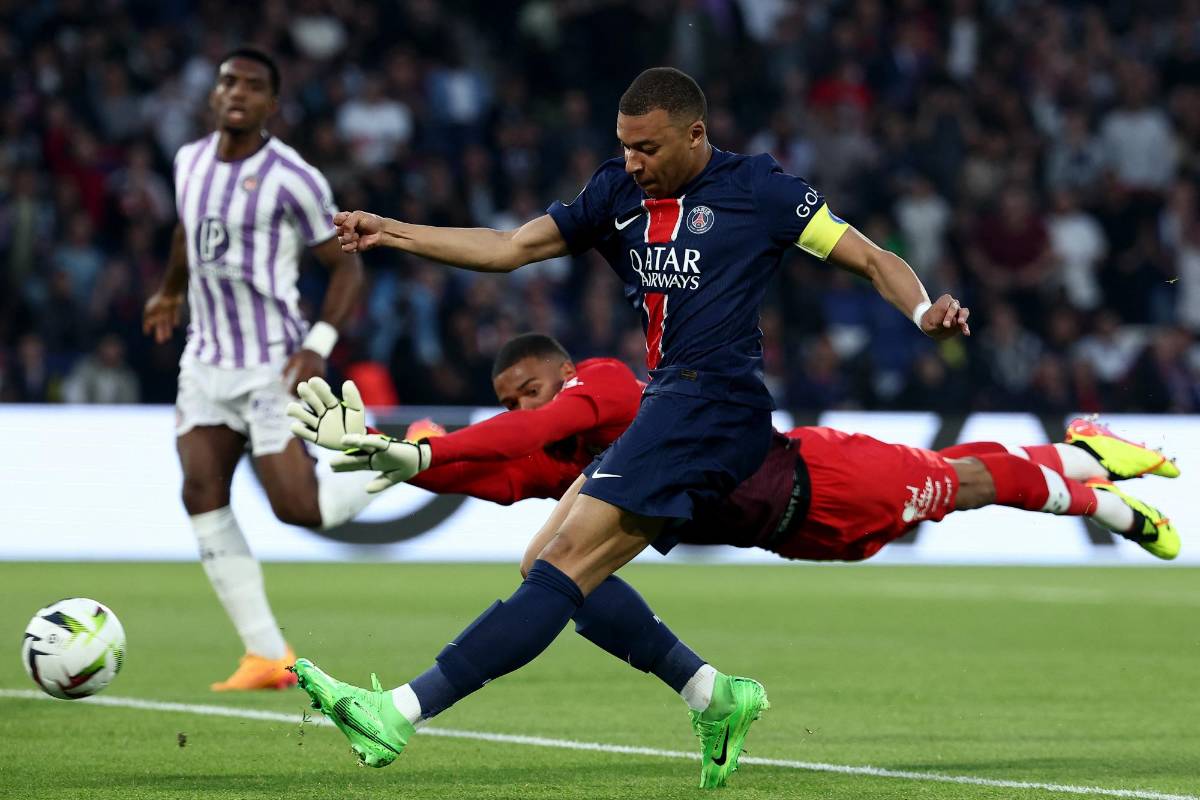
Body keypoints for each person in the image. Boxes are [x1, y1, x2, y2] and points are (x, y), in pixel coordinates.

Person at [292, 66, 977, 786]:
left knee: (560, 566)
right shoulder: (615, 194)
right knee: (545, 564)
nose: (632, 163)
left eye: (646, 148)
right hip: (670, 403)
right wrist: (390, 231)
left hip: (715, 405)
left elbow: (870, 256)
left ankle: (397, 713)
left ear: (695, 133)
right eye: (624, 147)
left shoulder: (761, 189)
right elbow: (509, 247)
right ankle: (712, 695)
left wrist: (923, 309)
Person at [290, 331, 1180, 787]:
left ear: (556, 374)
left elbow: (540, 427)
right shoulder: (582, 468)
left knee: (968, 482)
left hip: (824, 483)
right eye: (509, 397)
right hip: (790, 523)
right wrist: (395, 453)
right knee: (552, 569)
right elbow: (508, 464)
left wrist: (433, 455)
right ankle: (714, 696)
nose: (525, 403)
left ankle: (1096, 476)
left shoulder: (602, 384)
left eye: (527, 388)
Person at [141, 48, 374, 692]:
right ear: (211, 94)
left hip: (270, 362)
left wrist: (318, 343)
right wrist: (169, 290)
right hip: (206, 361)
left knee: (301, 510)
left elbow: (347, 266)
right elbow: (188, 233)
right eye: (226, 81)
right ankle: (267, 655)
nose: (235, 92)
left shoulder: (293, 178)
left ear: (272, 104)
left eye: (251, 86)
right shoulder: (188, 160)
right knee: (199, 489)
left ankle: (408, 456)